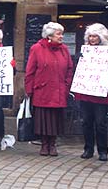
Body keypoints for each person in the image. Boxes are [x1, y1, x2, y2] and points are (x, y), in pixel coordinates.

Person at [24, 22, 73, 157]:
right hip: (43, 90)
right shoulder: (37, 48)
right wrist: (29, 89)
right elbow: (30, 71)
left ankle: (53, 144)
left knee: (56, 119)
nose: (61, 36)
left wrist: (66, 85)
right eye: (59, 34)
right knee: (44, 119)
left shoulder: (64, 49)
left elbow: (69, 68)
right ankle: (44, 144)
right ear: (49, 35)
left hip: (59, 90)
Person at [73, 23, 108, 161]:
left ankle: (103, 150)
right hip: (86, 93)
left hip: (100, 94)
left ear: (101, 37)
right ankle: (88, 148)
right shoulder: (85, 51)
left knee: (100, 123)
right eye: (90, 36)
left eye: (95, 36)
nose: (92, 39)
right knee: (86, 122)